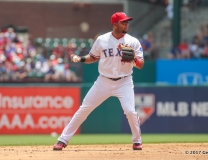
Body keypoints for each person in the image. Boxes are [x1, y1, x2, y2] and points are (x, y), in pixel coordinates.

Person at [53, 12, 144, 151]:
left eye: (127, 21)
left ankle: (137, 141)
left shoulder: (133, 41)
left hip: (124, 81)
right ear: (115, 24)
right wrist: (81, 59)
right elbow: (93, 57)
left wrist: (134, 59)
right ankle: (62, 140)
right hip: (103, 81)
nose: (127, 24)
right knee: (84, 109)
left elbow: (141, 64)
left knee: (130, 111)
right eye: (123, 22)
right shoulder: (102, 40)